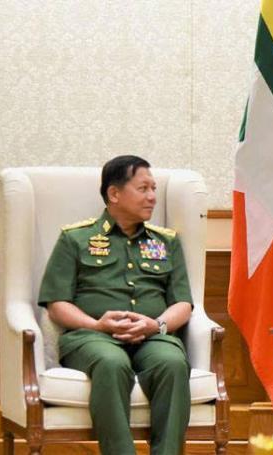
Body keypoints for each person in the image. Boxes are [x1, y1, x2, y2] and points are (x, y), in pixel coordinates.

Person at [38, 155, 194, 455]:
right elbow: (57, 303)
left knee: (173, 363)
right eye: (143, 188)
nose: (152, 197)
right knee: (112, 363)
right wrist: (96, 324)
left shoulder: (166, 242)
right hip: (90, 337)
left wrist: (156, 325)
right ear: (114, 193)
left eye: (154, 188)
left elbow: (183, 304)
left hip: (153, 336)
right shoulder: (76, 238)